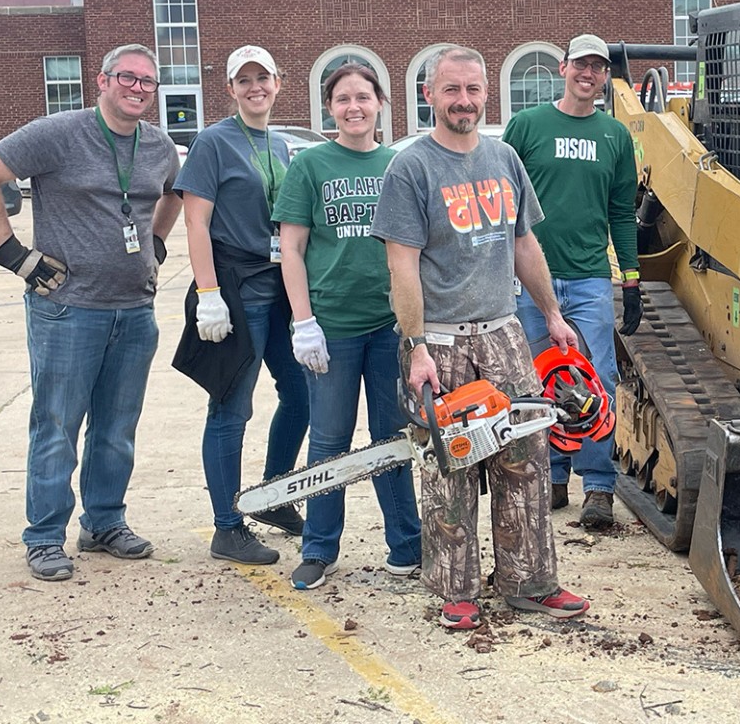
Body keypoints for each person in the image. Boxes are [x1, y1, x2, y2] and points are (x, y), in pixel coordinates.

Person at [371, 44, 590, 631]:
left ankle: (530, 581)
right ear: (429, 95)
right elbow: (403, 266)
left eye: (472, 90)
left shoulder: (505, 158)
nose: (463, 101)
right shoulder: (410, 168)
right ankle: (455, 589)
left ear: (485, 95)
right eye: (451, 90)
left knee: (525, 458)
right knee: (449, 469)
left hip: (503, 333)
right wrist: (416, 346)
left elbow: (524, 245)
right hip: (439, 340)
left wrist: (552, 313)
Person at [0, 44, 182, 581]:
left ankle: (103, 522)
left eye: (148, 81)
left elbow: (173, 194)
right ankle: (45, 536)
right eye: (127, 78)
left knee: (117, 426)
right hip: (66, 310)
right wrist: (12, 254)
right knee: (56, 423)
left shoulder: (159, 146)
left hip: (135, 310)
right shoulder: (57, 133)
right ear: (102, 80)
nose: (138, 88)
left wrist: (157, 243)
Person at [272, 63, 422, 590]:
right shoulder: (310, 165)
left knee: (391, 441)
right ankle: (318, 548)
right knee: (329, 442)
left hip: (388, 326)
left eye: (363, 96)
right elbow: (291, 248)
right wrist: (303, 321)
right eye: (342, 99)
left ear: (380, 102)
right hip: (331, 328)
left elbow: (415, 248)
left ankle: (407, 546)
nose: (353, 106)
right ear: (329, 108)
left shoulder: (399, 165)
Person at [174, 45, 309, 566]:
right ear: (230, 88)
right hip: (236, 288)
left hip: (276, 287)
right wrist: (209, 295)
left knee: (299, 393)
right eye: (244, 80)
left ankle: (273, 497)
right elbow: (195, 222)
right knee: (232, 406)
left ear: (278, 82)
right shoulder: (213, 141)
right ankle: (227, 527)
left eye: (264, 77)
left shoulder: (279, 144)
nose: (255, 87)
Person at [502, 33, 639, 529]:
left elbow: (622, 213)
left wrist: (632, 279)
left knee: (597, 380)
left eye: (599, 67)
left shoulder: (616, 137)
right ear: (562, 68)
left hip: (588, 280)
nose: (589, 74)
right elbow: (501, 201)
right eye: (581, 64)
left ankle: (598, 487)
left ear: (605, 76)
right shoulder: (527, 126)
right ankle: (551, 476)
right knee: (536, 380)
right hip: (531, 278)